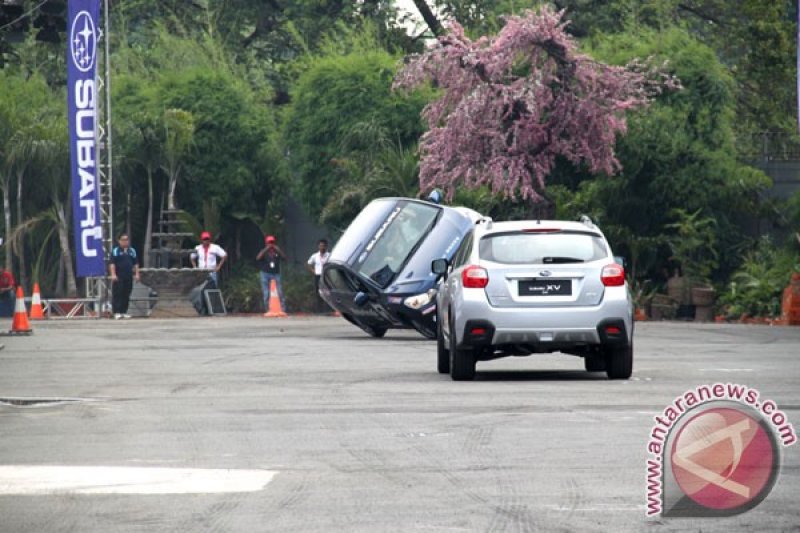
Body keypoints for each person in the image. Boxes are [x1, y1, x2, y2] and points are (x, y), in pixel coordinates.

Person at [109, 233, 140, 320]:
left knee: (126, 293)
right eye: (123, 240)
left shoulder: (132, 251)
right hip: (119, 275)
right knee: (118, 293)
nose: (125, 241)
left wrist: (137, 274)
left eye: (126, 240)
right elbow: (112, 263)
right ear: (119, 241)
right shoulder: (116, 251)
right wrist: (113, 274)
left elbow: (136, 263)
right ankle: (117, 312)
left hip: (128, 275)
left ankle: (124, 311)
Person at [256, 235, 287, 315]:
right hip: (265, 273)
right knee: (266, 293)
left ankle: (283, 309)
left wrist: (278, 250)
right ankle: (267, 309)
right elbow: (258, 258)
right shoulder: (264, 251)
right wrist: (266, 249)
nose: (271, 244)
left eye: (272, 242)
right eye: (269, 243)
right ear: (266, 243)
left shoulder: (277, 251)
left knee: (280, 291)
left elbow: (284, 258)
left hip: (276, 273)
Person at [307, 239, 331, 312]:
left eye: (323, 246)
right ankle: (319, 311)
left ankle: (328, 310)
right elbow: (309, 263)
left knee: (327, 292)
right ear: (318, 246)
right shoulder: (315, 256)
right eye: (320, 246)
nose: (322, 247)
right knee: (318, 293)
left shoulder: (329, 255)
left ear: (326, 246)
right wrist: (313, 271)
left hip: (326, 276)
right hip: (318, 276)